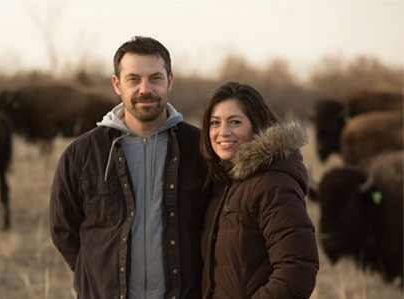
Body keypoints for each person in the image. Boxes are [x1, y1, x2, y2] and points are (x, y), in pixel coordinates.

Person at [50, 36, 207, 299]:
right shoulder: (82, 154)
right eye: (133, 79)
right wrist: (96, 275)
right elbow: (63, 229)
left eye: (155, 78)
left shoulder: (200, 150)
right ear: (117, 85)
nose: (145, 89)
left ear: (169, 81)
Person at [199, 82, 319, 298]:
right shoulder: (224, 183)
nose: (222, 132)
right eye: (215, 123)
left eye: (235, 122)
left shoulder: (272, 185)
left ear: (257, 126)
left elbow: (297, 271)